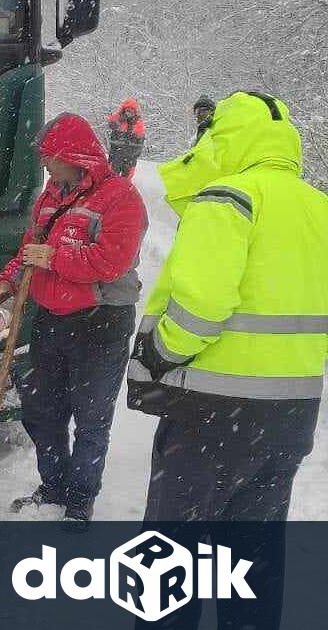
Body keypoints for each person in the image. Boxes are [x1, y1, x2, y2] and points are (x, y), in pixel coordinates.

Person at [126, 92, 328, 629]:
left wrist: (161, 352)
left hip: (212, 411)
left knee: (171, 560)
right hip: (292, 413)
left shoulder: (229, 198)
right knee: (253, 557)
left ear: (228, 138)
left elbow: (203, 306)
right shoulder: (318, 207)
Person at [0, 113, 147, 527]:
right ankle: (53, 486)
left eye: (49, 157)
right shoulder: (51, 197)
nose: (44, 164)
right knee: (42, 411)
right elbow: (29, 251)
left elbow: (111, 262)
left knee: (91, 419)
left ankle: (80, 500)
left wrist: (55, 258)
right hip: (52, 320)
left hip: (101, 322)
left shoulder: (120, 198)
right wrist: (4, 286)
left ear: (73, 156)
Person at [107, 98, 146, 178]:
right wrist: (118, 121)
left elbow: (140, 142)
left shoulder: (138, 123)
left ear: (135, 111)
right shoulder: (118, 118)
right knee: (111, 176)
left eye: (131, 110)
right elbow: (111, 122)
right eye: (127, 110)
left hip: (130, 156)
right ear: (123, 110)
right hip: (116, 154)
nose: (129, 113)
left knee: (127, 177)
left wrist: (134, 153)